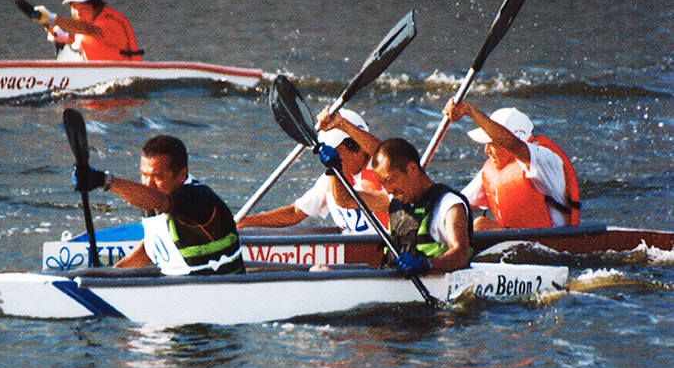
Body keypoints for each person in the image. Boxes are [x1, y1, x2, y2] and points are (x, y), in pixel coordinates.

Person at [74, 134, 245, 275]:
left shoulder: (199, 199)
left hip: (222, 293)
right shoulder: (152, 198)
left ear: (182, 174)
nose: (148, 184)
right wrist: (114, 273)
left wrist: (103, 180)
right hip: (184, 290)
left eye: (157, 176)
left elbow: (157, 200)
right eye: (144, 174)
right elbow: (152, 246)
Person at [237, 108, 389, 235]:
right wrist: (246, 221)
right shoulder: (330, 178)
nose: (331, 158)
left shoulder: (384, 171)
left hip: (385, 252)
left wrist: (343, 124)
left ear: (357, 147)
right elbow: (294, 213)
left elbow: (385, 153)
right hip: (352, 254)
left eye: (336, 152)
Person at [442, 100, 580, 231]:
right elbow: (457, 204)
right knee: (469, 226)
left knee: (479, 226)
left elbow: (513, 145)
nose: (486, 150)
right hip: (522, 243)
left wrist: (470, 111)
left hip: (553, 244)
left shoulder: (544, 159)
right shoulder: (496, 168)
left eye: (493, 144)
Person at [351, 138, 472, 275]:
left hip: (432, 281)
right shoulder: (395, 199)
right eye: (383, 184)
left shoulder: (449, 205)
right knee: (324, 270)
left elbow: (461, 256)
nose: (389, 190)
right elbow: (345, 200)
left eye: (390, 180)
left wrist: (424, 264)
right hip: (394, 279)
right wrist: (333, 169)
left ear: (412, 169)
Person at [33, 0, 143, 62]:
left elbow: (88, 30)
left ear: (96, 5)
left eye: (83, 7)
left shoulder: (110, 22)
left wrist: (52, 18)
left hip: (123, 77)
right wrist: (66, 38)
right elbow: (92, 39)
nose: (78, 13)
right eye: (74, 7)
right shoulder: (92, 23)